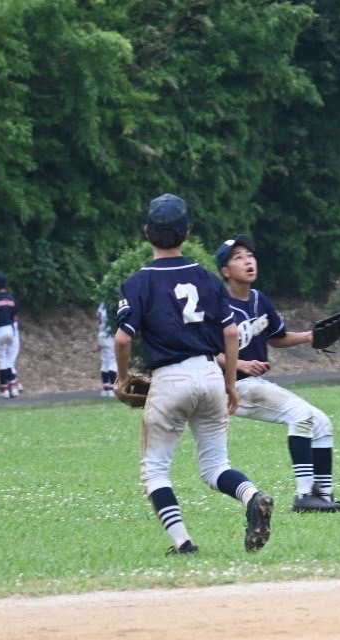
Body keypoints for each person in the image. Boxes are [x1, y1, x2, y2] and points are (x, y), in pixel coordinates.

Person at [114, 193, 275, 555]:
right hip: (209, 375)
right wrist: (231, 383)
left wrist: (123, 377)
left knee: (155, 470)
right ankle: (252, 496)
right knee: (216, 466)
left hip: (170, 378)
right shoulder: (206, 277)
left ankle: (183, 543)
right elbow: (231, 333)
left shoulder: (138, 282)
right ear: (187, 233)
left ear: (146, 232)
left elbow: (124, 337)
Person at [214, 234, 340, 512]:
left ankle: (323, 494)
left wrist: (309, 336)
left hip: (254, 383)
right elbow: (206, 351)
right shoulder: (218, 306)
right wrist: (239, 364)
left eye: (249, 255)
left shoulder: (259, 299)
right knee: (301, 416)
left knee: (322, 422)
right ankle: (303, 496)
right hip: (231, 387)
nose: (247, 261)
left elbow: (276, 336)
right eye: (237, 257)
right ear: (226, 271)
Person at [96, 302, 116, 397]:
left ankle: (105, 389)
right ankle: (112, 388)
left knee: (105, 362)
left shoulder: (101, 306)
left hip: (101, 334)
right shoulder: (111, 305)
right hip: (109, 335)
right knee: (113, 361)